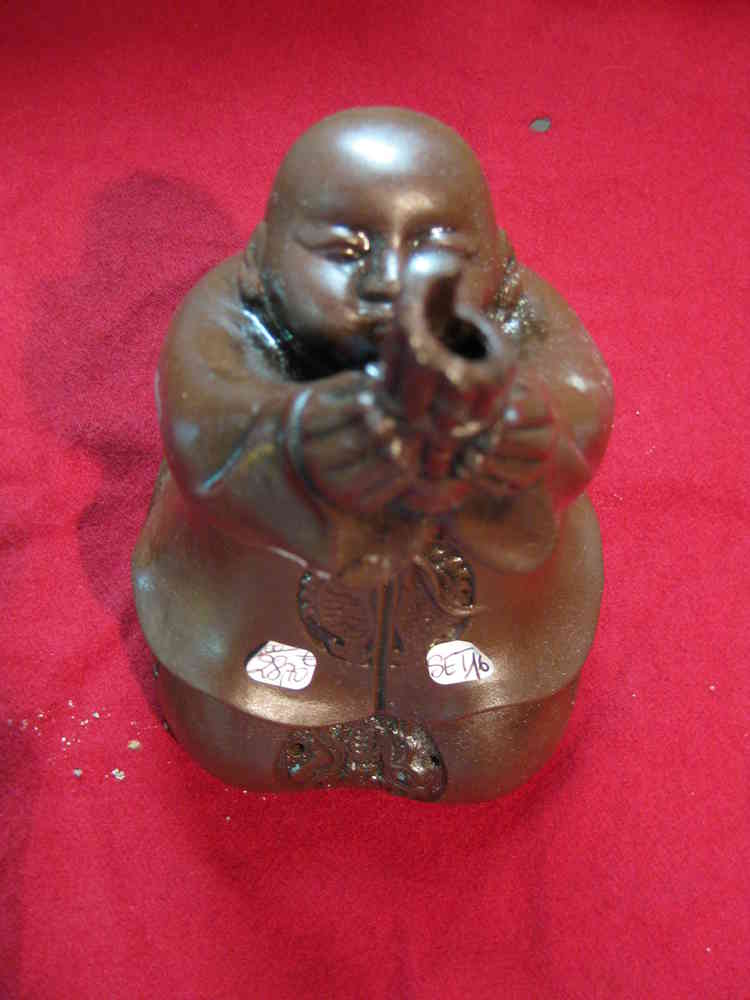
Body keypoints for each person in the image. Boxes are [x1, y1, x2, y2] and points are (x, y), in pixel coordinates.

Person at [133, 108, 613, 801]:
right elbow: (208, 432)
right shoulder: (228, 318)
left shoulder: (517, 315)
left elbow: (578, 405)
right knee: (235, 743)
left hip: (477, 644)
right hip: (262, 635)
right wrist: (312, 441)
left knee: (493, 757)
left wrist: (501, 430)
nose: (392, 279)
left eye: (438, 246)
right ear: (264, 257)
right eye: (346, 249)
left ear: (499, 257)